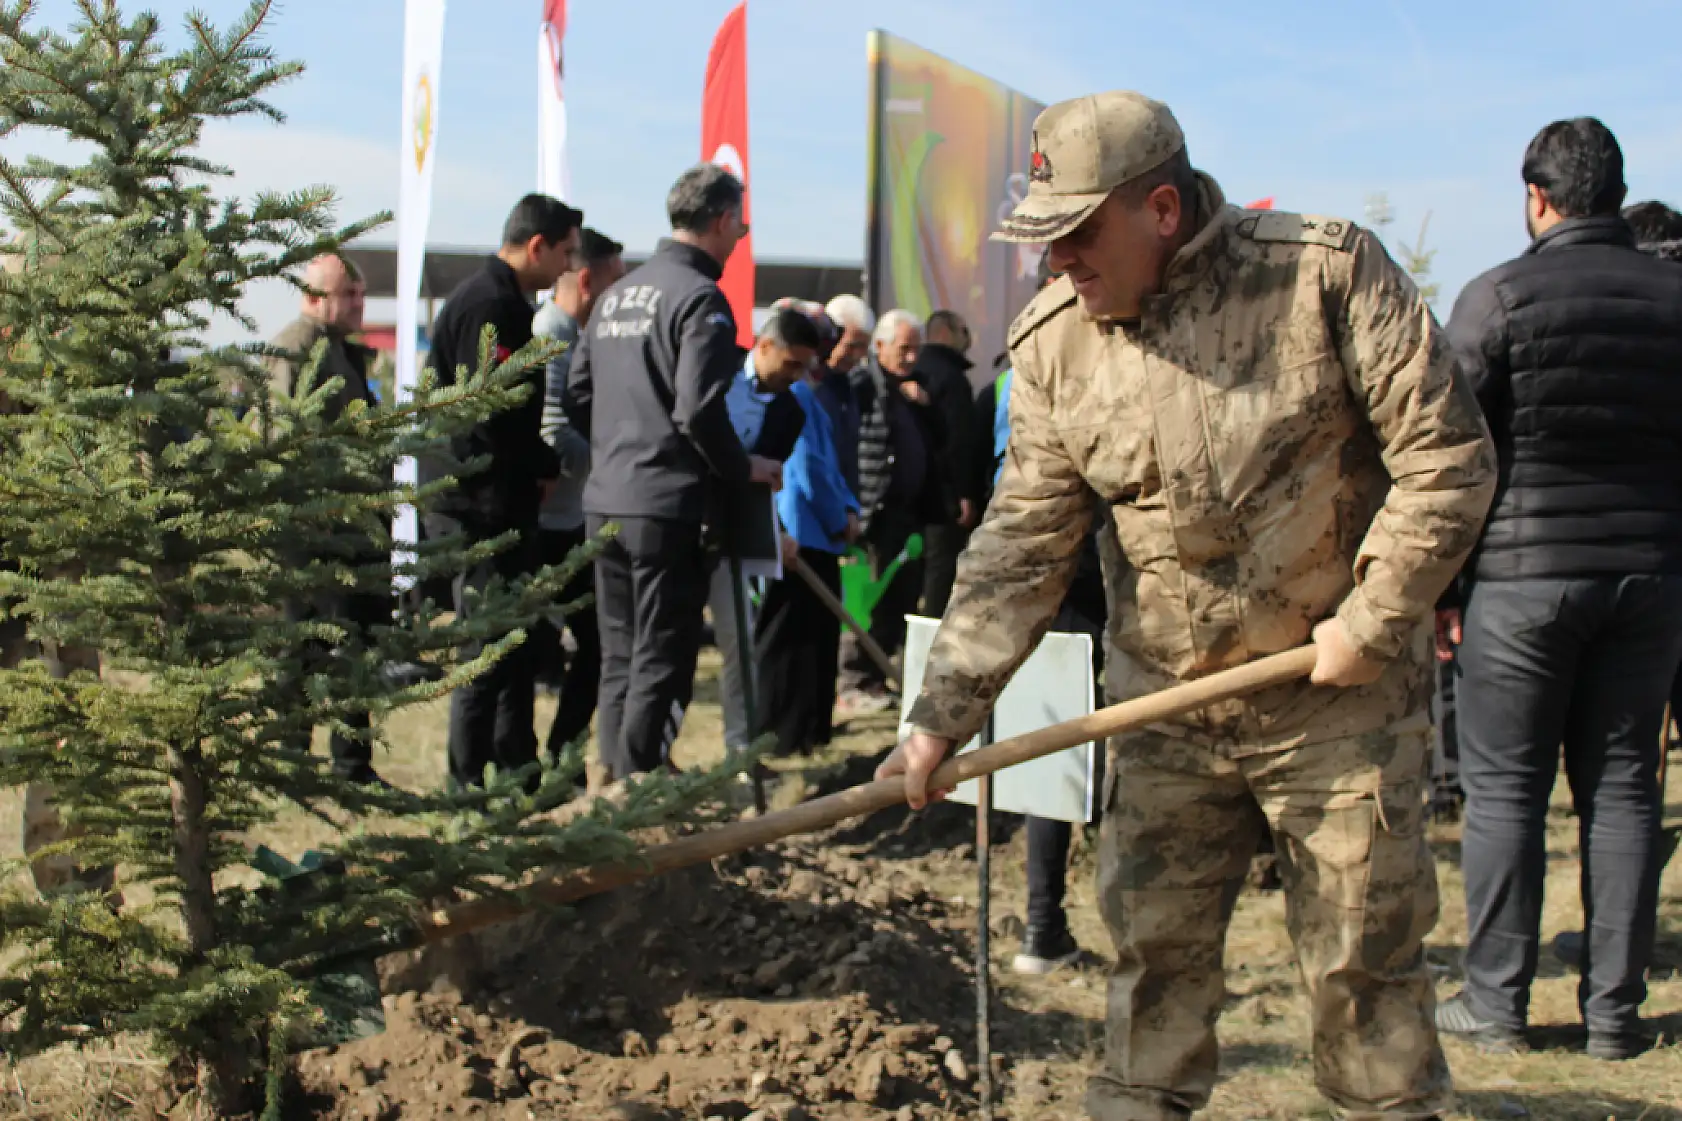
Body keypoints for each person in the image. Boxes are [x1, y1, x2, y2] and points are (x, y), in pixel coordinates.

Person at [880, 91, 1495, 1119]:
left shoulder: (1323, 276)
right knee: (1152, 983)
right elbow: (1021, 543)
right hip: (1165, 714)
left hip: (1334, 708)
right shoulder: (1053, 344)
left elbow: (1448, 459)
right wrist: (939, 715)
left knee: (1364, 986)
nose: (1058, 261)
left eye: (1079, 233)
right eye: (1045, 237)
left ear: (1160, 210)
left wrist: (1375, 615)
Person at [1434, 120, 1682, 1061]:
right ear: (1615, 193)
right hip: (1652, 576)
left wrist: (1443, 587)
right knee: (1624, 792)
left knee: (1506, 793)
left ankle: (1496, 1003)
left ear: (1537, 197)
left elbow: (1448, 454)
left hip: (1522, 580)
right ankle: (1614, 1017)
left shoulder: (1499, 296)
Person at [564, 164, 782, 781]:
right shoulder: (700, 298)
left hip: (605, 499)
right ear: (722, 221)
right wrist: (741, 468)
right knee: (662, 654)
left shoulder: (614, 296)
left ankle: (612, 780)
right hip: (665, 507)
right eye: (740, 226)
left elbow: (578, 393)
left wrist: (618, 445)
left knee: (619, 653)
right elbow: (698, 410)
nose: (740, 238)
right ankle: (638, 789)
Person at [424, 194, 580, 788]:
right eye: (565, 253)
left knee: (517, 647)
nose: (568, 267)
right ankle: (466, 786)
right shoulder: (487, 306)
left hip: (505, 502)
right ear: (537, 246)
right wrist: (542, 461)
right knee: (485, 654)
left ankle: (517, 770)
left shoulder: (509, 302)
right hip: (480, 506)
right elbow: (487, 416)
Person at [265, 254, 390, 786]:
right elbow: (280, 439)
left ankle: (350, 763)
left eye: (362, 294)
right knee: (307, 645)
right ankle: (293, 757)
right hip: (315, 530)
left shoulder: (339, 348)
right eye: (349, 295)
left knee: (352, 645)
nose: (360, 305)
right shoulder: (296, 347)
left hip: (351, 526)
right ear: (314, 297)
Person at [531, 228, 626, 763]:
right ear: (587, 281)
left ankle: (563, 756)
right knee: (588, 643)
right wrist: (611, 462)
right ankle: (546, 759)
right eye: (616, 286)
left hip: (567, 519)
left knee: (597, 643)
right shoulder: (552, 334)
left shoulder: (572, 333)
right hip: (550, 525)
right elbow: (551, 431)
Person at [709, 309, 818, 754]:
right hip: (682, 525)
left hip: (731, 536)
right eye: (791, 364)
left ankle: (741, 754)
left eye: (803, 367)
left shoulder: (790, 413)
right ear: (765, 346)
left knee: (740, 644)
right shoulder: (715, 371)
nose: (796, 376)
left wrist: (776, 531)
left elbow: (766, 481)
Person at [836, 309, 938, 716]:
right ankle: (853, 682)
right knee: (865, 602)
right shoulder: (862, 385)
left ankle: (876, 678)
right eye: (903, 348)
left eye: (916, 350)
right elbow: (850, 445)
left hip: (905, 516)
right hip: (871, 515)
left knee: (897, 601)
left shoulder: (911, 389)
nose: (911, 358)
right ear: (879, 346)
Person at [911, 309, 978, 619]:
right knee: (941, 571)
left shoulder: (913, 373)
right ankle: (932, 632)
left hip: (912, 495)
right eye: (964, 331)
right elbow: (959, 441)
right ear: (945, 332)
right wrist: (964, 493)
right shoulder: (952, 379)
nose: (969, 339)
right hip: (943, 497)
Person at [821, 294, 873, 498]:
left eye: (862, 347)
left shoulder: (849, 388)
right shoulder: (808, 387)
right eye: (851, 345)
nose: (856, 355)